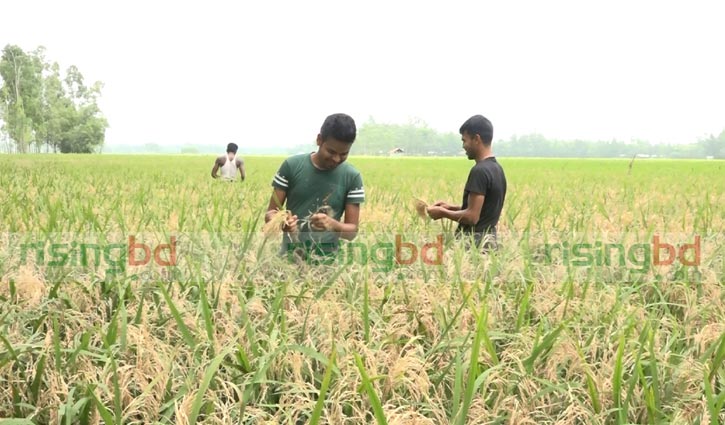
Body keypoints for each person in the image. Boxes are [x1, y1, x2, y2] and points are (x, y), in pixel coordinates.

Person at [264, 113, 365, 259]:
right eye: (331, 152)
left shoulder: (352, 177)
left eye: (344, 154)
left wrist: (331, 224)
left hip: (327, 262)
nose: (336, 159)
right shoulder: (291, 166)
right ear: (319, 140)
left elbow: (351, 232)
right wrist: (282, 221)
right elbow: (270, 215)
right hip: (289, 259)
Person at [426, 115, 507, 250]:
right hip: (489, 246)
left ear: (476, 139)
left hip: (473, 247)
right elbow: (483, 211)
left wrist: (442, 213)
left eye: (465, 140)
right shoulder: (497, 169)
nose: (463, 146)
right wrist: (449, 208)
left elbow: (472, 217)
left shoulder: (479, 171)